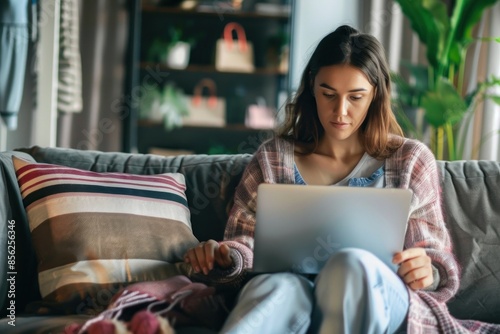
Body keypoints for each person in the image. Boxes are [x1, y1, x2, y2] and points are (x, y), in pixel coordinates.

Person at [183, 25, 500, 333]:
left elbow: (432, 254)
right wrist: (230, 255)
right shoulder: (272, 158)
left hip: (379, 294)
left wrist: (425, 269)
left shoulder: (410, 161)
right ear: (312, 86)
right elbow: (245, 239)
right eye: (328, 94)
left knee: (350, 266)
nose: (341, 111)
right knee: (275, 288)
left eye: (356, 97)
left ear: (376, 94)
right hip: (292, 287)